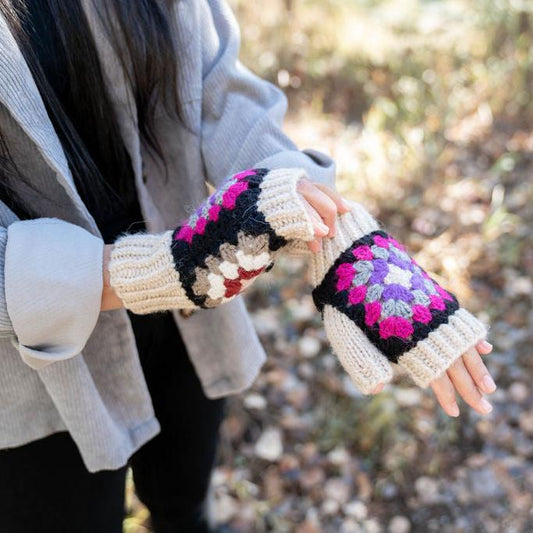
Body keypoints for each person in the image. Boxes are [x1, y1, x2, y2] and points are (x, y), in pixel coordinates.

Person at [0, 1, 496, 532]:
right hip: (35, 363)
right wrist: (161, 270)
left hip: (189, 307)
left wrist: (335, 233)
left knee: (185, 503)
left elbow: (218, 88)